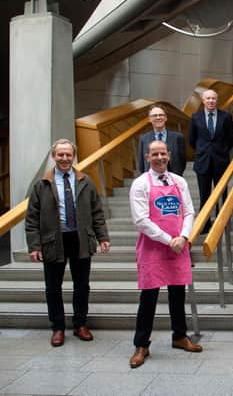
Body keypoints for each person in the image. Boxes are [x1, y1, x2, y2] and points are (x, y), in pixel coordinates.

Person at [25, 139, 110, 347]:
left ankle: (80, 324)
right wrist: (35, 245)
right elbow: (32, 217)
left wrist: (103, 237)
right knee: (53, 287)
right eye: (60, 155)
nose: (65, 158)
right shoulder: (42, 184)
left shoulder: (86, 181)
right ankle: (58, 327)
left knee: (82, 285)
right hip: (53, 241)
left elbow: (97, 212)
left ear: (74, 156)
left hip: (80, 239)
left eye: (68, 155)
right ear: (54, 157)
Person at [129, 140, 203, 368]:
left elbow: (189, 211)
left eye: (163, 153)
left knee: (177, 293)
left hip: (178, 246)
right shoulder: (140, 184)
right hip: (153, 248)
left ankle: (180, 336)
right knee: (148, 298)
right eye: (155, 154)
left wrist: (184, 236)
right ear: (147, 157)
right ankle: (141, 344)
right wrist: (168, 240)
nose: (159, 157)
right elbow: (141, 220)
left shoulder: (179, 182)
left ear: (169, 155)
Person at [189, 89, 233, 231]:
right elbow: (192, 140)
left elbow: (232, 138)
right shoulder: (195, 117)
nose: (211, 101)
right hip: (202, 161)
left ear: (217, 100)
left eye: (213, 98)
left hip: (221, 161)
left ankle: (223, 223)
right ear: (203, 101)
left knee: (222, 193)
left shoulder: (226, 117)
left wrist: (222, 150)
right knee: (204, 194)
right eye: (208, 98)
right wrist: (203, 150)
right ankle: (205, 223)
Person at [138, 105, 186, 176]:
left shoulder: (178, 137)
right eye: (154, 115)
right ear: (149, 119)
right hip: (152, 180)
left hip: (173, 179)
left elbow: (182, 162)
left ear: (166, 118)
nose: (158, 117)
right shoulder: (144, 139)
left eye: (161, 115)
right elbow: (142, 163)